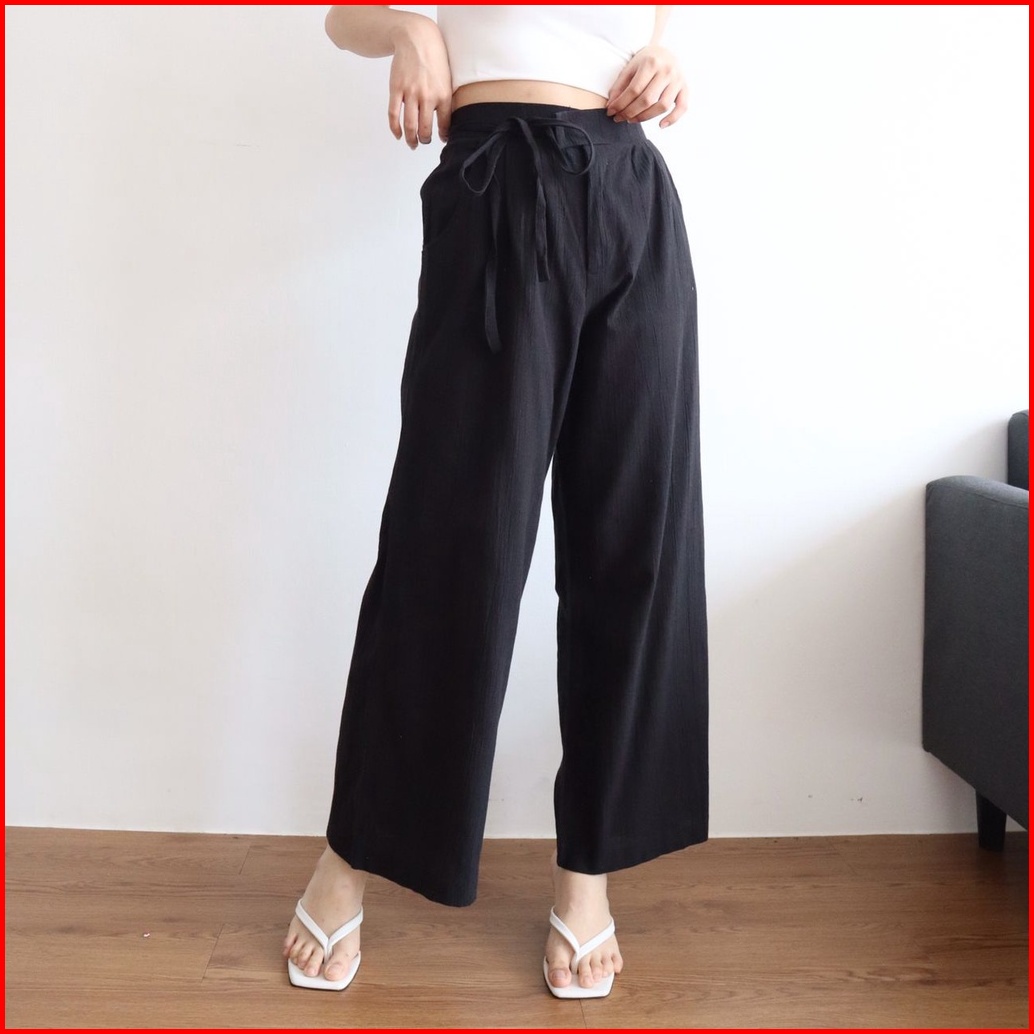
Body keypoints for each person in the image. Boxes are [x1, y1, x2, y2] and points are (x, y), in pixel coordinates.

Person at [283, 4, 708, 999]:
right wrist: (410, 33)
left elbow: (646, 46)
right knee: (449, 547)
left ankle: (589, 870)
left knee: (633, 549)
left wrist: (666, 68)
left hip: (632, 197)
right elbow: (344, 18)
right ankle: (352, 852)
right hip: (496, 185)